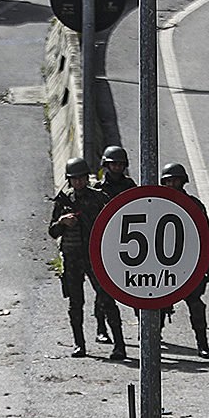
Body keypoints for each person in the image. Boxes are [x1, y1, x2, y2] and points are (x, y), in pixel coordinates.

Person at [47, 157, 125, 361]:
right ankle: (79, 344)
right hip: (73, 258)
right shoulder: (63, 200)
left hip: (95, 257)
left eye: (81, 178)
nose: (78, 182)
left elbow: (112, 224)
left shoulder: (98, 198)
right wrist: (62, 222)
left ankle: (119, 345)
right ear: (69, 180)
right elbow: (52, 232)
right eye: (74, 179)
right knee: (75, 303)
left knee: (107, 300)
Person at [158, 162, 209, 357]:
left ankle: (202, 344)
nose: (173, 184)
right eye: (169, 181)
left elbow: (205, 235)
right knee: (157, 305)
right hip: (162, 263)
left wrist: (208, 262)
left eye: (176, 181)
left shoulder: (194, 205)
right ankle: (153, 339)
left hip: (188, 263)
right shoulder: (156, 205)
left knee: (196, 304)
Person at [91, 145, 133, 345]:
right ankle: (101, 327)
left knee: (136, 287)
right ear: (106, 165)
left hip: (129, 243)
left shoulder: (130, 187)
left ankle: (146, 328)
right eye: (112, 164)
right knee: (102, 291)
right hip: (106, 245)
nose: (116, 168)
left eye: (119, 164)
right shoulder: (98, 190)